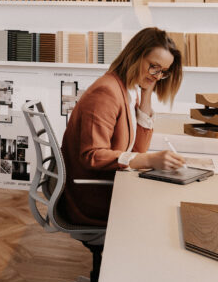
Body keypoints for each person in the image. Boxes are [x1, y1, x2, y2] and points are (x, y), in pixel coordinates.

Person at [60, 27, 185, 227]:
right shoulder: (107, 91)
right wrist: (150, 159)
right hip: (90, 199)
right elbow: (92, 155)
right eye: (154, 67)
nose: (156, 76)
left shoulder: (128, 90)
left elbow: (138, 150)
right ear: (135, 55)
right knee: (162, 213)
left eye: (163, 72)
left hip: (107, 186)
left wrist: (146, 95)